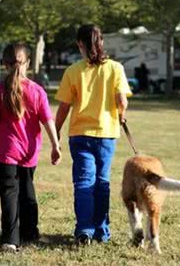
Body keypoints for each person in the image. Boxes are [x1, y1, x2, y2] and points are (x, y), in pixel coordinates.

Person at [0, 43, 62, 252]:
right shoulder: (37, 91)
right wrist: (55, 145)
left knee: (9, 194)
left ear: (4, 65)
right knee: (27, 192)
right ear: (28, 64)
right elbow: (48, 121)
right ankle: (30, 233)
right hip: (29, 152)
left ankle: (10, 239)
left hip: (6, 152)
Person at [55, 24, 132, 245]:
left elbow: (64, 107)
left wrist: (56, 131)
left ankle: (84, 231)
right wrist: (121, 113)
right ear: (102, 42)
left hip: (80, 134)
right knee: (102, 182)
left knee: (83, 182)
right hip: (107, 133)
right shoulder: (115, 68)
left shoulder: (72, 71)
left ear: (80, 43)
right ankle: (101, 231)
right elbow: (122, 101)